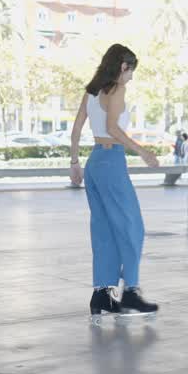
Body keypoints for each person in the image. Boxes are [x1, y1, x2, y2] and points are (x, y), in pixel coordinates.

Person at [68, 43, 160, 321]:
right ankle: (131, 292)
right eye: (131, 71)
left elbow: (76, 129)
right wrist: (143, 151)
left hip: (94, 163)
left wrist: (74, 163)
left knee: (104, 230)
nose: (131, 77)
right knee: (133, 227)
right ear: (122, 66)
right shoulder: (117, 90)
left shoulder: (92, 91)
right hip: (111, 161)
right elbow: (112, 128)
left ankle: (102, 295)